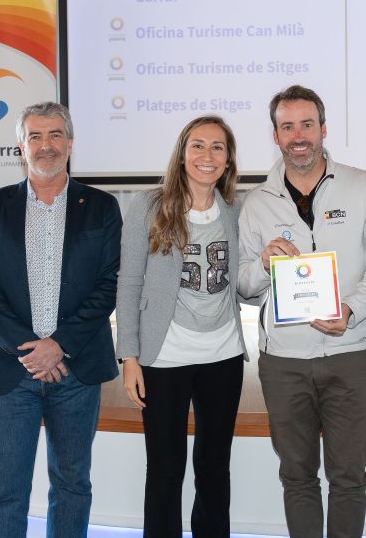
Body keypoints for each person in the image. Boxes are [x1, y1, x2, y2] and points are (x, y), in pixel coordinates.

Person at [238, 85, 366, 537]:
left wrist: (351, 309)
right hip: (283, 363)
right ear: (275, 135)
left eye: (307, 125)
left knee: (349, 478)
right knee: (297, 477)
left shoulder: (365, 187)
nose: (299, 136)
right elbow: (243, 286)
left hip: (348, 355)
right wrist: (262, 265)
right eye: (288, 127)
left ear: (324, 129)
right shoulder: (256, 203)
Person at [0, 101, 121, 537]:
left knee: (72, 486)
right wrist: (33, 351)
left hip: (77, 370)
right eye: (35, 136)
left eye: (55, 135)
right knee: (3, 491)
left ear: (70, 143)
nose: (46, 145)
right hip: (11, 371)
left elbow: (110, 283)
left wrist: (59, 346)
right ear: (21, 146)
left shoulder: (102, 207)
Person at [115, 115, 246, 537]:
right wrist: (129, 356)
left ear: (228, 160)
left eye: (217, 147)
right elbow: (129, 281)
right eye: (198, 145)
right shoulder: (149, 205)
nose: (207, 155)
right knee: (165, 469)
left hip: (223, 354)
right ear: (182, 153)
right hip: (164, 355)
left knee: (214, 467)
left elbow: (245, 285)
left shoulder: (237, 211)